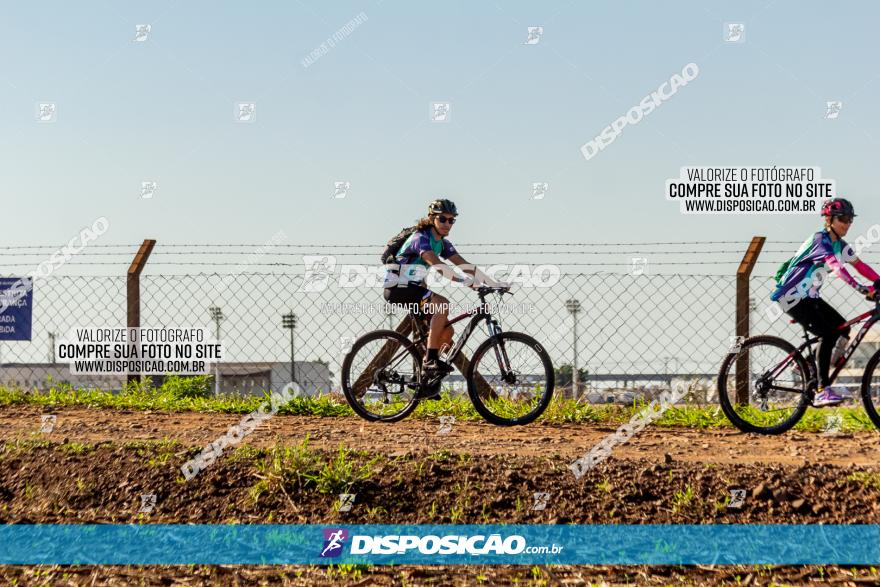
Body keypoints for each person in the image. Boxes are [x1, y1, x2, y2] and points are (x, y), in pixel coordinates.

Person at [383, 199, 504, 389]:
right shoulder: (420, 238)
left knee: (447, 332)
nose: (447, 224)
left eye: (451, 220)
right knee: (442, 304)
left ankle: (425, 379)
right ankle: (429, 361)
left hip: (414, 287)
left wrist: (493, 283)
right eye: (443, 219)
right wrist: (464, 282)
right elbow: (438, 266)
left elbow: (464, 265)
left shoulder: (443, 243)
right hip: (398, 287)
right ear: (432, 219)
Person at [770, 197, 879, 406]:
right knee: (827, 334)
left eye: (849, 220)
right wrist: (861, 288)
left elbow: (860, 265)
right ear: (829, 219)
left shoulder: (840, 244)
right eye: (843, 219)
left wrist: (878, 281)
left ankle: (812, 369)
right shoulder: (821, 240)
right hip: (791, 297)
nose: (847, 224)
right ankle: (822, 389)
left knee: (842, 329)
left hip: (809, 298)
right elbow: (837, 268)